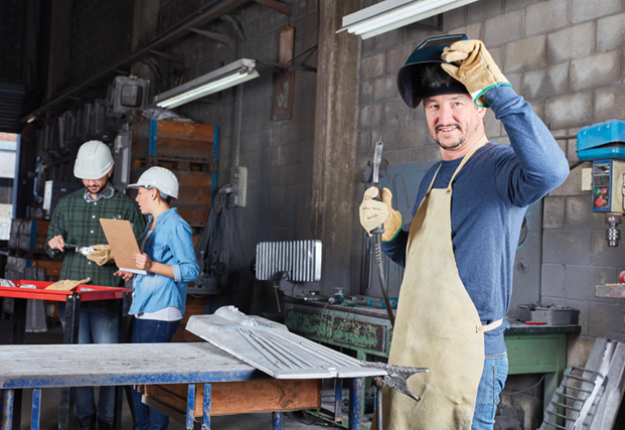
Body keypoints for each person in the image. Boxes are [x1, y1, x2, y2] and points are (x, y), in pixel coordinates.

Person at [359, 35, 569, 430]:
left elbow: (552, 171)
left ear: (480, 107)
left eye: (458, 102)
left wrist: (498, 91)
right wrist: (389, 233)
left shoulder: (501, 167)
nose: (444, 116)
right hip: (414, 348)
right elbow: (416, 259)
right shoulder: (431, 176)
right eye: (434, 106)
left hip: (469, 357)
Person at [46, 140, 146, 430]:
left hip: (106, 292)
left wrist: (121, 256)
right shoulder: (67, 204)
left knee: (106, 359)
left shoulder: (126, 206)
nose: (91, 182)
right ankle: (84, 417)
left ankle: (106, 419)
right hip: (72, 292)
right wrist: (54, 243)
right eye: (86, 177)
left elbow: (140, 250)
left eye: (97, 176)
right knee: (78, 357)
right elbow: (51, 243)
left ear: (110, 171)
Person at [114, 166, 199, 430]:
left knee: (152, 382)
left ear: (154, 193)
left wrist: (150, 266)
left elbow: (191, 270)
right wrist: (133, 270)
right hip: (144, 309)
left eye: (140, 193)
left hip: (161, 313)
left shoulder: (176, 225)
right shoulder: (152, 225)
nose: (137, 198)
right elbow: (149, 265)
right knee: (137, 378)